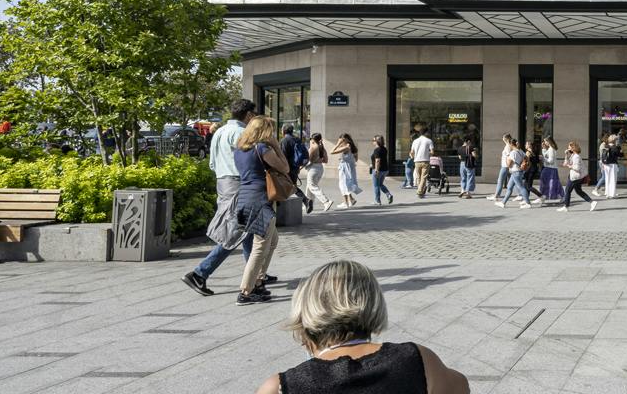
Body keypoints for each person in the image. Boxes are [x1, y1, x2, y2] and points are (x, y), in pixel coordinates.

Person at [254, 258, 470, 394]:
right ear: (372, 302)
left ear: (305, 314)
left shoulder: (280, 387)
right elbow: (461, 385)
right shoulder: (417, 359)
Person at [185, 99, 272, 296]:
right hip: (239, 184)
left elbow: (212, 163)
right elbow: (248, 162)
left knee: (248, 231)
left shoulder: (220, 132)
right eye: (254, 114)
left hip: (223, 182)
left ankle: (256, 276)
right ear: (249, 115)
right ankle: (200, 273)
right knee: (237, 232)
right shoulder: (242, 134)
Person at [233, 116, 293, 305]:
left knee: (272, 240)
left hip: (245, 197)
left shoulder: (240, 149)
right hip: (260, 200)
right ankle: (246, 291)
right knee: (260, 246)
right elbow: (285, 167)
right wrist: (276, 145)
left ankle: (258, 282)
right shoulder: (262, 148)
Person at [283, 128, 315, 213]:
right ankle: (306, 200)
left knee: (287, 186)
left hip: (287, 168)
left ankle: (305, 200)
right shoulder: (297, 139)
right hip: (295, 167)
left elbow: (283, 156)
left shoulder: (285, 141)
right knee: (291, 186)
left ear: (283, 131)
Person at [561, 141, 597, 211]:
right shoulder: (572, 155)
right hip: (573, 176)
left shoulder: (576, 157)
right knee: (578, 191)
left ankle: (566, 206)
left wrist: (569, 166)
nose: (568, 148)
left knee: (567, 190)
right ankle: (592, 202)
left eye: (569, 147)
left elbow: (577, 168)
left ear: (573, 148)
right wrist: (566, 155)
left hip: (575, 177)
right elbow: (565, 163)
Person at [496, 137, 531, 208]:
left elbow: (509, 164)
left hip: (515, 172)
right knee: (509, 187)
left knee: (521, 187)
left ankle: (528, 203)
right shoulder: (520, 151)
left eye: (510, 145)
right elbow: (527, 159)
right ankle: (503, 203)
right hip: (518, 172)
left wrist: (506, 158)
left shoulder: (513, 153)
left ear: (512, 144)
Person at [335, 134, 362, 208]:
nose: (341, 141)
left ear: (346, 139)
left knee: (343, 184)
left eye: (342, 140)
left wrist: (338, 144)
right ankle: (351, 199)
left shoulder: (346, 147)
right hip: (351, 167)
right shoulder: (353, 147)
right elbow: (356, 159)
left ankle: (345, 202)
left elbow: (332, 151)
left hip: (345, 168)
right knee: (347, 184)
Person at [409, 127, 435, 200]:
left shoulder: (415, 141)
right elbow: (432, 152)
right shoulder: (429, 141)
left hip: (416, 161)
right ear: (426, 133)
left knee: (419, 177)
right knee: (424, 177)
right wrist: (427, 153)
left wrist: (413, 156)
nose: (429, 133)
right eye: (428, 132)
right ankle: (420, 191)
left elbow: (411, 152)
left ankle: (421, 190)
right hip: (425, 161)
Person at [369, 136, 392, 205]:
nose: (372, 142)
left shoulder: (377, 150)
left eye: (373, 140)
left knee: (376, 186)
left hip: (378, 170)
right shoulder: (384, 149)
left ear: (376, 141)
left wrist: (376, 169)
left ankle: (377, 201)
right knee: (380, 184)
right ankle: (389, 195)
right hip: (385, 169)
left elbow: (378, 160)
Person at [598, 133, 621, 200]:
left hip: (606, 164)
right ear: (614, 140)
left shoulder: (606, 146)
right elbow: (619, 155)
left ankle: (607, 193)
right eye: (616, 140)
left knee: (607, 179)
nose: (617, 141)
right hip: (613, 165)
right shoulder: (615, 147)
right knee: (613, 179)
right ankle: (612, 194)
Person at [492, 136, 514, 202]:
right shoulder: (509, 145)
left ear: (505, 139)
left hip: (505, 166)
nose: (502, 139)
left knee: (500, 180)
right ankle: (520, 195)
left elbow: (508, 156)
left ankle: (496, 195)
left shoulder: (507, 146)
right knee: (513, 181)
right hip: (507, 166)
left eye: (503, 137)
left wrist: (508, 165)